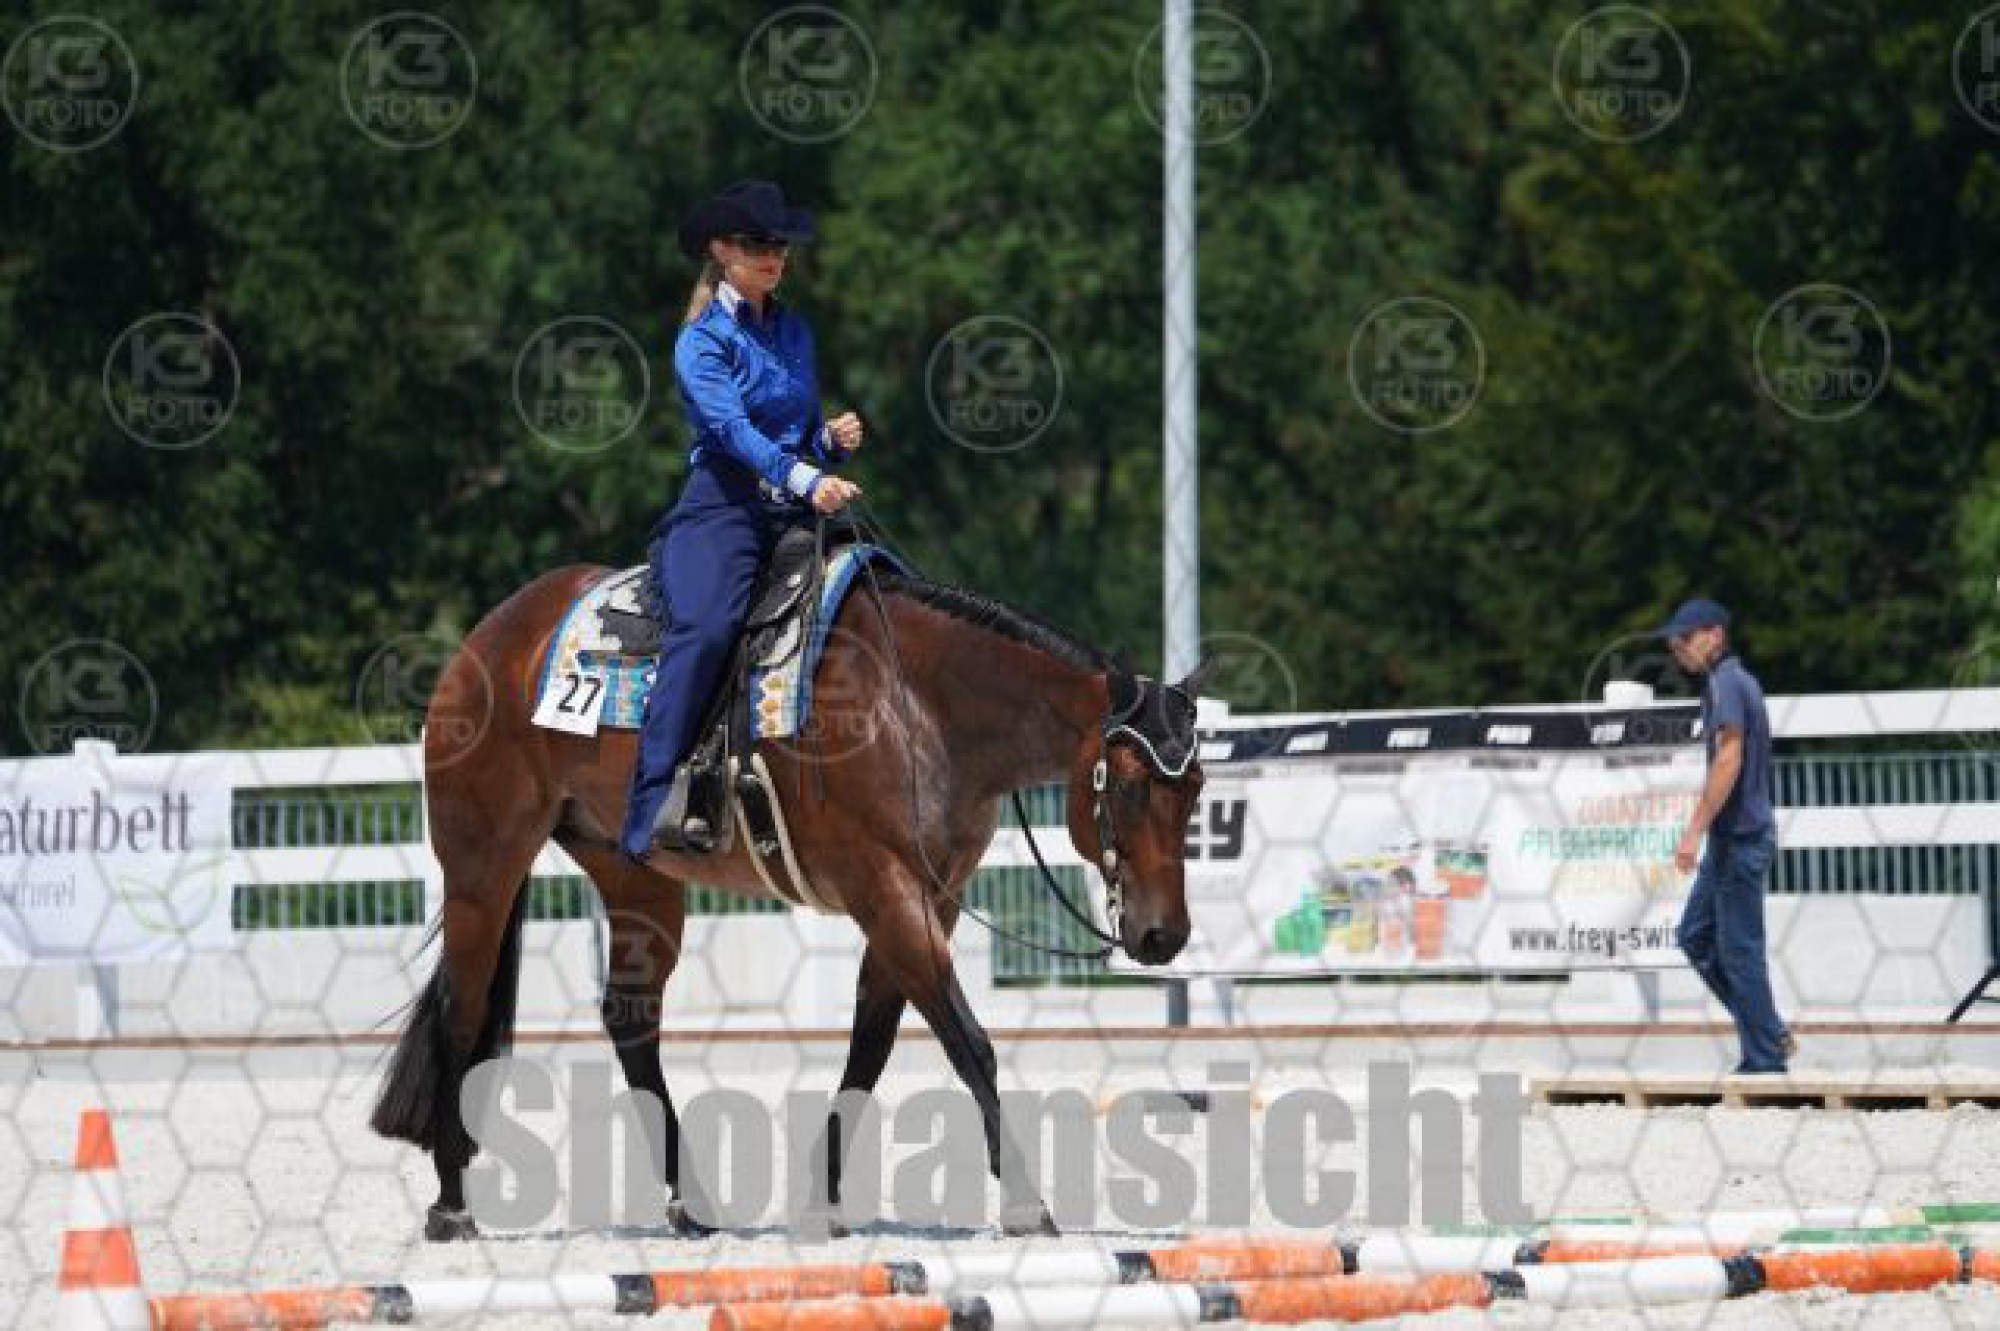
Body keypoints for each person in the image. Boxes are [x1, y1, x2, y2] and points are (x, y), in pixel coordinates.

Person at [620, 179, 864, 861]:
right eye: (758, 244)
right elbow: (731, 432)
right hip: (723, 507)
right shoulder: (701, 342)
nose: (774, 256)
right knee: (707, 629)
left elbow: (792, 431)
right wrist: (808, 476)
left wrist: (826, 442)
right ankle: (651, 803)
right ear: (721, 250)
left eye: (780, 244)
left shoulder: (794, 329)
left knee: (876, 590)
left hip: (792, 500)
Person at [1661, 598, 1796, 1074]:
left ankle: (1764, 1061)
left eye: (1686, 637)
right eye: (1675, 640)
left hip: (1740, 839)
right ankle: (1768, 1031)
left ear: (1715, 635)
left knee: (1741, 952)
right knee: (1694, 937)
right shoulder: (1728, 683)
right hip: (1730, 840)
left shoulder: (1728, 684)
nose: (1678, 646)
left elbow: (1729, 759)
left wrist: (1692, 831)